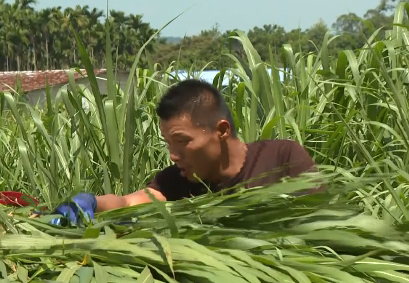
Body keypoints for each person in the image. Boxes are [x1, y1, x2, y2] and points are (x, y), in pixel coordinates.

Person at [50, 79, 319, 225]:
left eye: (182, 141)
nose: (173, 156)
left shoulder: (284, 160)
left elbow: (320, 222)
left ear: (222, 131)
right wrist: (92, 203)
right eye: (168, 144)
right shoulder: (178, 180)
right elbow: (130, 203)